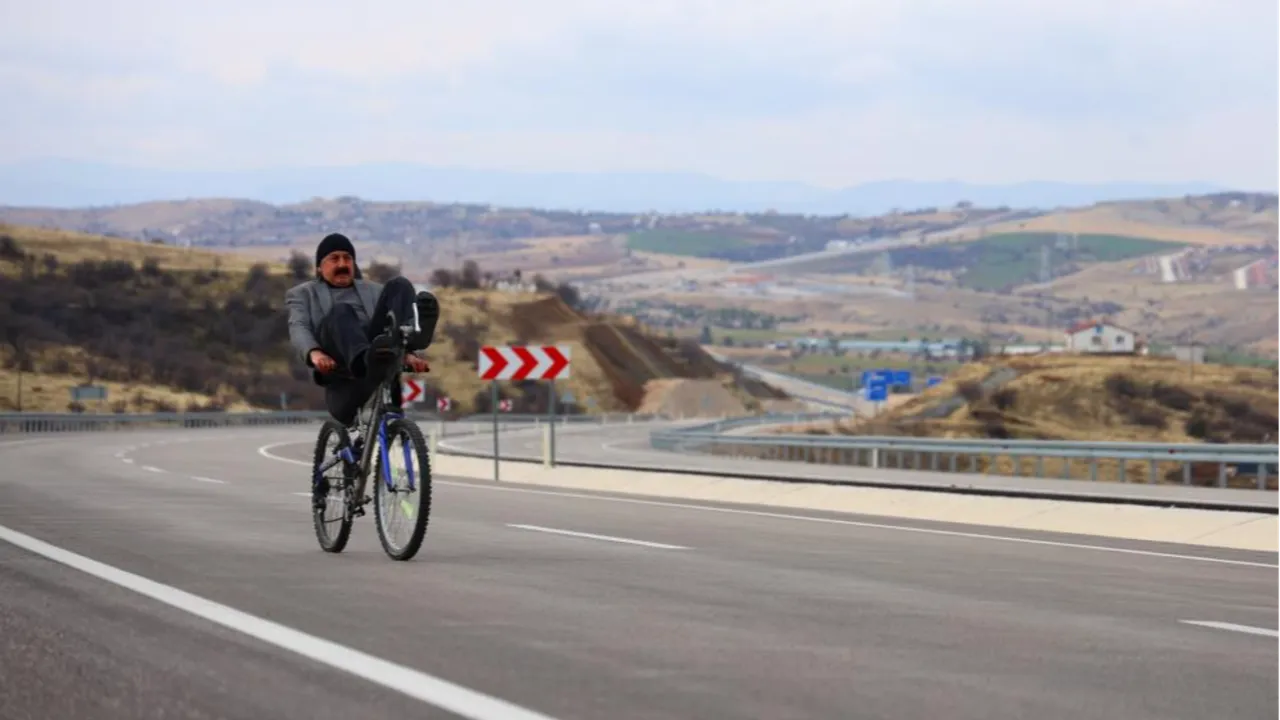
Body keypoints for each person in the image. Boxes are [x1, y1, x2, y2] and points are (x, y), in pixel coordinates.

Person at [285, 232, 439, 437]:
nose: (342, 264)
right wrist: (315, 353)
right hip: (341, 370)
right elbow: (299, 326)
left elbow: (387, 324)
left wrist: (406, 355)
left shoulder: (374, 291)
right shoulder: (303, 294)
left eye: (347, 258)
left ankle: (412, 337)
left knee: (399, 285)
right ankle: (364, 359)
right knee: (341, 312)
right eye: (334, 259)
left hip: (376, 354)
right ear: (320, 268)